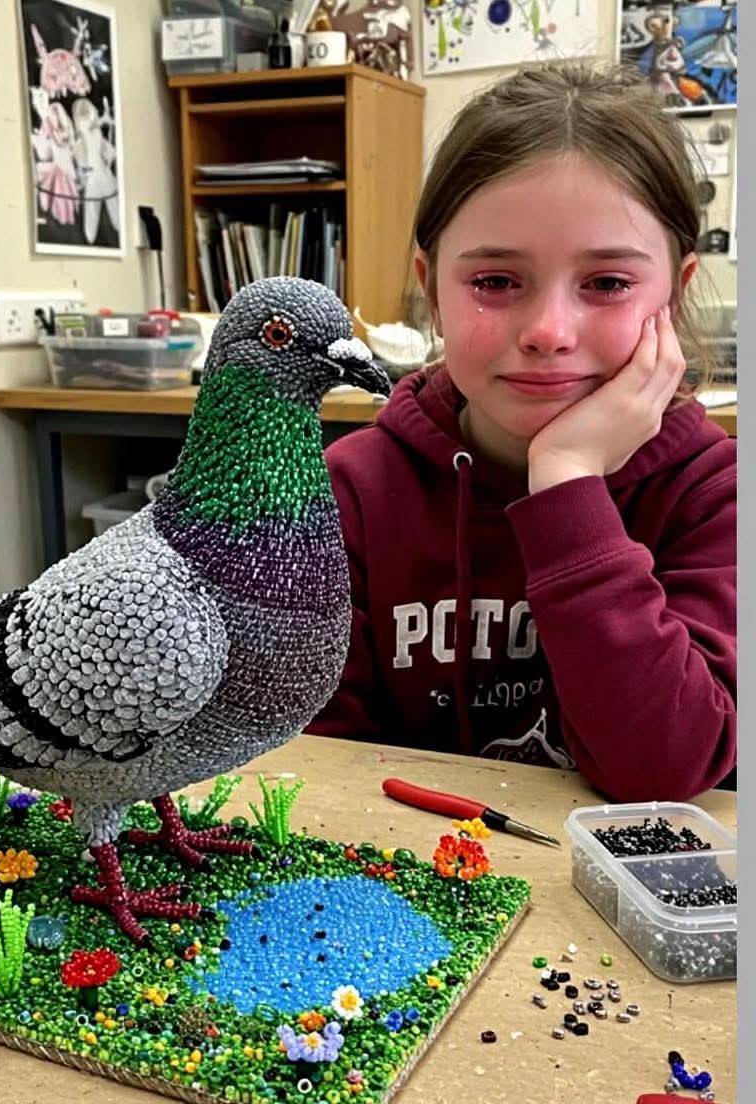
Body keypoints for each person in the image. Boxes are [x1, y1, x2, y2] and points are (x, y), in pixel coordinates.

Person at [308, 62, 736, 802]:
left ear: (677, 291)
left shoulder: (715, 494)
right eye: (495, 282)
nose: (548, 331)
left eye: (607, 283)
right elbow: (314, 772)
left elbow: (666, 770)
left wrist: (567, 479)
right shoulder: (348, 492)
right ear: (432, 291)